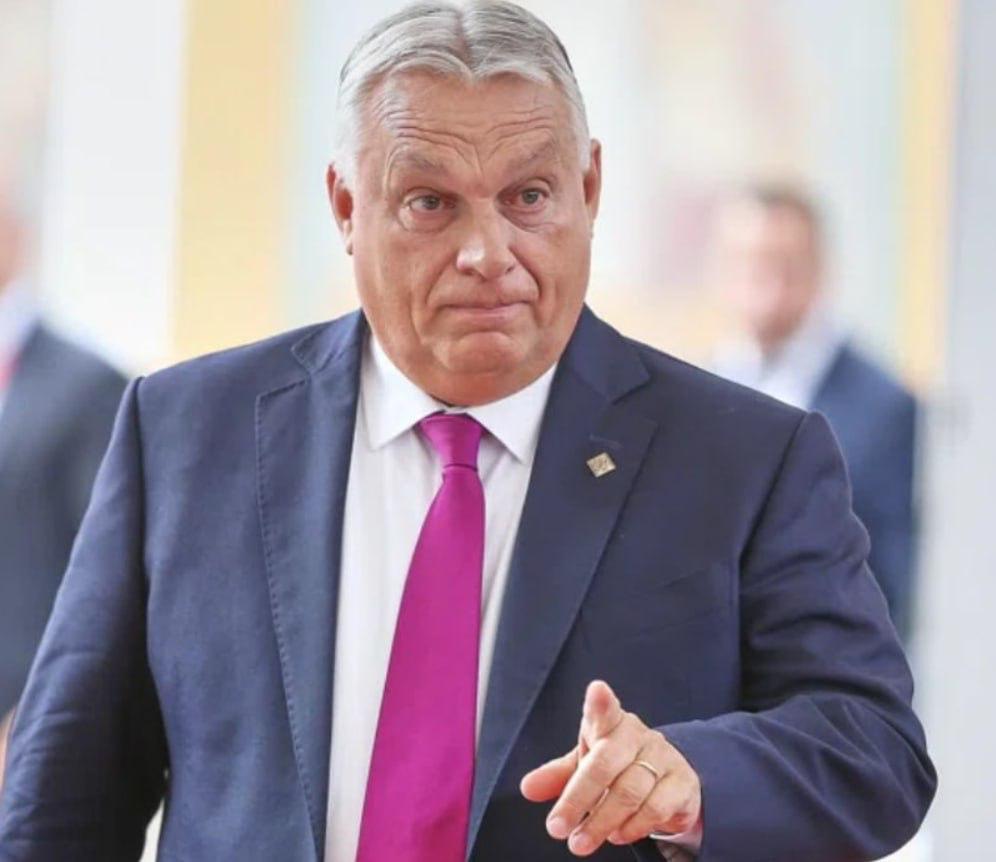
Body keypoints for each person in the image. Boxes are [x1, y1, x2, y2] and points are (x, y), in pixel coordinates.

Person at [0, 3, 935, 861]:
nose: (488, 254)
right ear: (346, 208)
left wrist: (694, 781)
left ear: (589, 188)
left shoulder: (746, 458)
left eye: (528, 197)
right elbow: (64, 799)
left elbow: (876, 748)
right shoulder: (185, 434)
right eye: (430, 202)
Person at [711, 186, 919, 640]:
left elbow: (894, 584)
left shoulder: (883, 408)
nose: (765, 284)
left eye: (784, 264)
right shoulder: (703, 387)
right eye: (749, 263)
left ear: (819, 270)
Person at [0, 167, 127, 720]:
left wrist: (31, 728)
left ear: (13, 232)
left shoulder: (86, 388)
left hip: (24, 726)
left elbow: (107, 582)